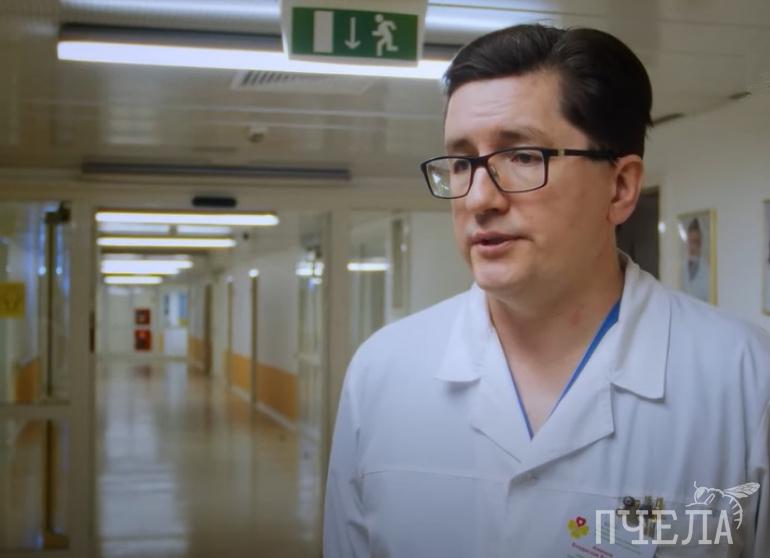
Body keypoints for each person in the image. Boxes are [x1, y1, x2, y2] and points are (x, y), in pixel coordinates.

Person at [324, 24, 769, 557]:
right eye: (462, 163)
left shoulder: (746, 382)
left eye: (522, 157)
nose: (478, 199)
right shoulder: (381, 373)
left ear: (620, 187)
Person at [681, 217, 711, 302]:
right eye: (690, 241)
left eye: (695, 241)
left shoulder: (707, 269)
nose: (692, 246)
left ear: (700, 243)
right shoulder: (682, 267)